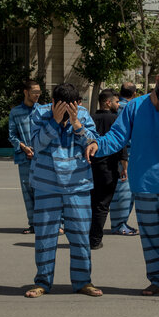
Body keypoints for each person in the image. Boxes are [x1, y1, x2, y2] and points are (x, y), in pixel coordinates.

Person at [86, 65, 159, 302]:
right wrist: (98, 144)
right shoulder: (135, 107)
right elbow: (117, 136)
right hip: (144, 184)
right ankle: (157, 280)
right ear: (157, 80)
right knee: (150, 237)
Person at [24, 83, 101, 298]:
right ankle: (42, 282)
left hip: (78, 185)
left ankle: (83, 282)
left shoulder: (83, 114)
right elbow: (36, 144)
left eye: (71, 107)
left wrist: (76, 123)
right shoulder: (40, 114)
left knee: (80, 235)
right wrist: (54, 121)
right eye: (60, 107)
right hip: (46, 184)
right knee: (45, 236)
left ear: (77, 103)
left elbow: (93, 142)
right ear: (53, 103)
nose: (66, 111)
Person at [89, 88, 124, 250]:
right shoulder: (116, 120)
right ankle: (95, 240)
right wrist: (124, 167)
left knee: (90, 203)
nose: (119, 104)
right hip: (109, 168)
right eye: (116, 102)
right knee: (102, 205)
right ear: (108, 103)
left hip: (90, 168)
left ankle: (86, 236)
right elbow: (121, 144)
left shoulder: (90, 119)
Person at [9, 79, 41, 233]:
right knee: (28, 192)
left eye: (39, 92)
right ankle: (33, 224)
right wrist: (24, 148)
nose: (37, 95)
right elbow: (12, 135)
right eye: (34, 92)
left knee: (43, 191)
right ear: (26, 92)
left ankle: (52, 224)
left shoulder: (42, 110)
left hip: (42, 158)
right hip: (24, 158)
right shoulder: (15, 112)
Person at [108, 81, 138, 236]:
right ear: (134, 94)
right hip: (127, 154)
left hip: (114, 152)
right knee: (124, 190)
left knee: (121, 189)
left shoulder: (116, 107)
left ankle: (120, 223)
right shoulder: (132, 109)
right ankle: (119, 224)